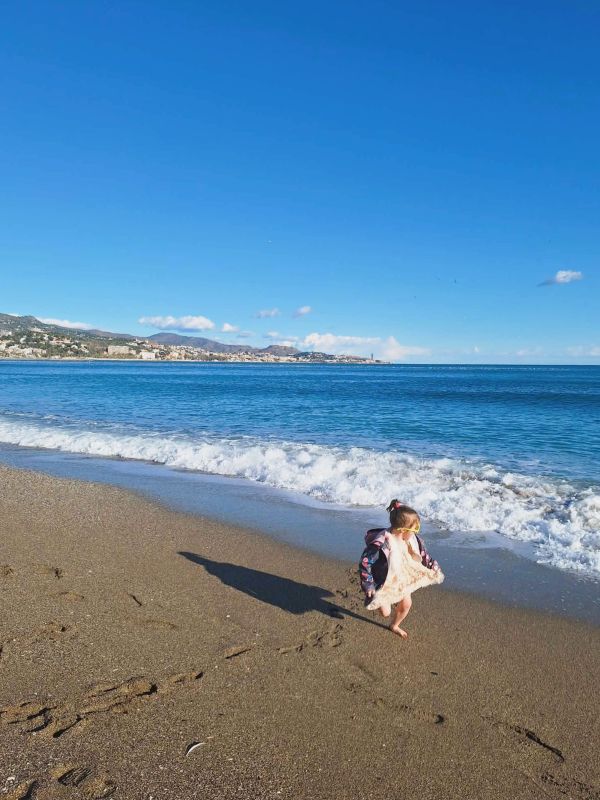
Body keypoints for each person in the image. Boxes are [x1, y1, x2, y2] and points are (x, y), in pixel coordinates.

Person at [359, 499, 444, 638]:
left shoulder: (411, 539)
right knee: (385, 613)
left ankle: (395, 625)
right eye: (415, 529)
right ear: (403, 530)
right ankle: (379, 598)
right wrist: (368, 584)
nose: (416, 532)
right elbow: (365, 563)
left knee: (406, 605)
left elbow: (423, 555)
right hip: (383, 580)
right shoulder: (382, 543)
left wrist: (433, 566)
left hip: (402, 577)